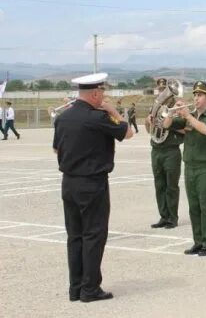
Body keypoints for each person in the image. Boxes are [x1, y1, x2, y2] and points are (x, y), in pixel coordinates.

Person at [52, 72, 134, 302]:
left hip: (69, 182)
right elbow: (128, 133)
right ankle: (90, 289)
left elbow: (57, 149)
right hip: (92, 183)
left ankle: (75, 288)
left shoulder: (63, 118)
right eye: (103, 94)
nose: (104, 98)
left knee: (75, 236)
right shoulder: (98, 118)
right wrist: (114, 112)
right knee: (93, 236)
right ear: (96, 93)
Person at [164, 81, 206, 256]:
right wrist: (172, 109)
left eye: (200, 95)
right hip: (189, 166)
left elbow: (205, 130)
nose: (196, 98)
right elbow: (166, 125)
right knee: (193, 207)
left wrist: (188, 116)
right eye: (195, 95)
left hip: (204, 168)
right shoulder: (190, 115)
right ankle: (197, 242)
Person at [145, 78, 184, 229]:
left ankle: (172, 218)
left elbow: (185, 127)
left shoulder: (177, 107)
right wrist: (149, 122)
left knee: (171, 186)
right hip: (156, 149)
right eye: (161, 90)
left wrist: (169, 123)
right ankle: (163, 216)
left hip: (170, 150)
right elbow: (150, 131)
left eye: (165, 90)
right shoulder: (155, 106)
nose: (163, 93)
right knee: (159, 185)